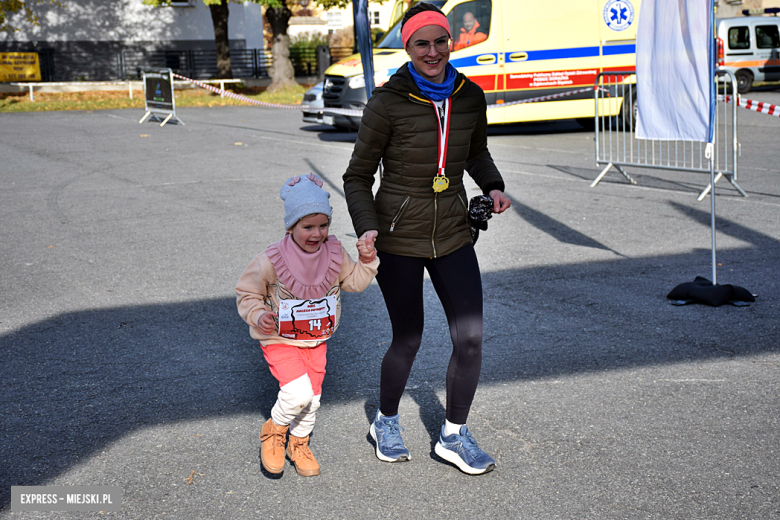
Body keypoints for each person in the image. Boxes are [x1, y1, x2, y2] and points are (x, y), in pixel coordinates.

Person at [342, 2, 511, 475]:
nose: (432, 51)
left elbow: (475, 152)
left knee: (471, 338)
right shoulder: (387, 102)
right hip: (398, 236)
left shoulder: (469, 95)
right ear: (407, 47)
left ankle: (453, 436)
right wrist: (367, 224)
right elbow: (357, 175)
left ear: (450, 41)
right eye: (422, 43)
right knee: (409, 337)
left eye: (440, 41)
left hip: (453, 232)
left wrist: (492, 185)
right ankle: (386, 420)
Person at [235, 173, 379, 477]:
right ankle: (273, 432)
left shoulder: (335, 253)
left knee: (312, 401)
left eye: (323, 225)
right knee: (297, 395)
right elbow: (247, 293)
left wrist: (366, 262)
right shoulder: (271, 260)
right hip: (279, 338)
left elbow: (352, 282)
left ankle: (298, 444)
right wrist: (258, 314)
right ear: (291, 226)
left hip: (317, 338)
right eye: (307, 227)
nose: (316, 234)